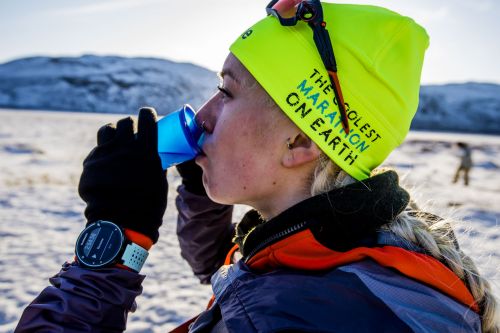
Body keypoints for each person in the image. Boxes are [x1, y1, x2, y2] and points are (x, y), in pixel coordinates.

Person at [16, 1, 499, 332]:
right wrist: (203, 192)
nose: (202, 115)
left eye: (226, 93)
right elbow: (232, 266)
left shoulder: (288, 317)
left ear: (300, 140)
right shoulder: (360, 247)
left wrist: (114, 240)